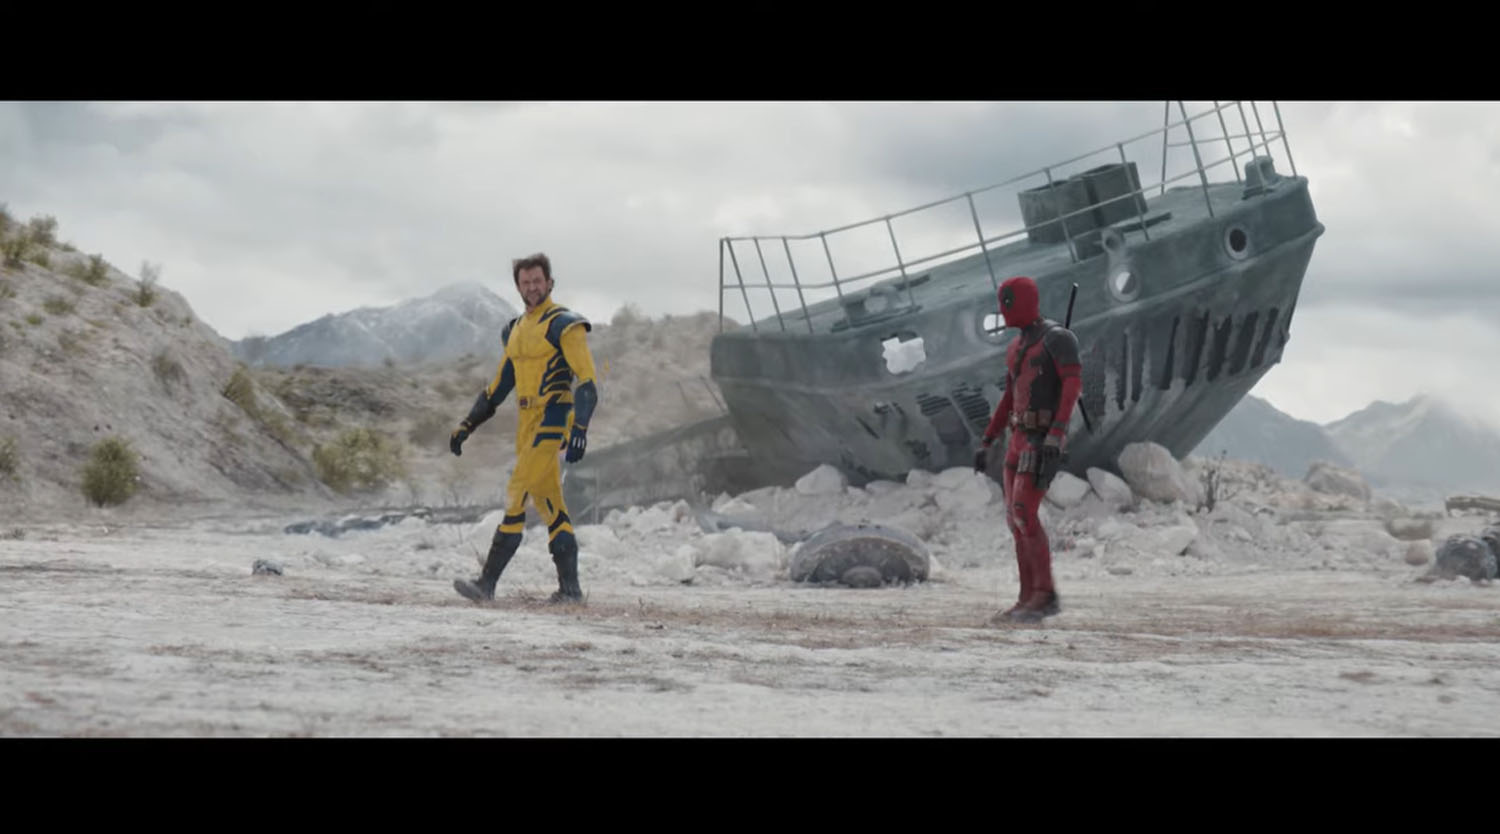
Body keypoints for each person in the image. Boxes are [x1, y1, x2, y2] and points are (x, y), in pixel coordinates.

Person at [449, 253, 599, 605]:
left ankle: (486, 584)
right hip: (526, 422)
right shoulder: (515, 330)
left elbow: (587, 382)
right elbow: (499, 387)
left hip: (553, 418)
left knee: (517, 490)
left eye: (537, 281)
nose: (532, 287)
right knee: (550, 504)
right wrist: (467, 424)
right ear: (518, 286)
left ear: (550, 283)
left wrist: (580, 428)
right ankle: (570, 590)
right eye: (525, 282)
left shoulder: (565, 324)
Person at [974, 275, 1082, 623]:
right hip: (1018, 437)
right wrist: (988, 439)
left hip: (1040, 438)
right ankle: (1026, 597)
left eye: (1008, 301)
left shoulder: (1057, 339)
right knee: (1014, 520)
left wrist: (1056, 434)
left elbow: (1072, 386)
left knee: (1024, 513)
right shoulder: (1016, 347)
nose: (1003, 309)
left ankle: (1044, 595)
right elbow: (1010, 397)